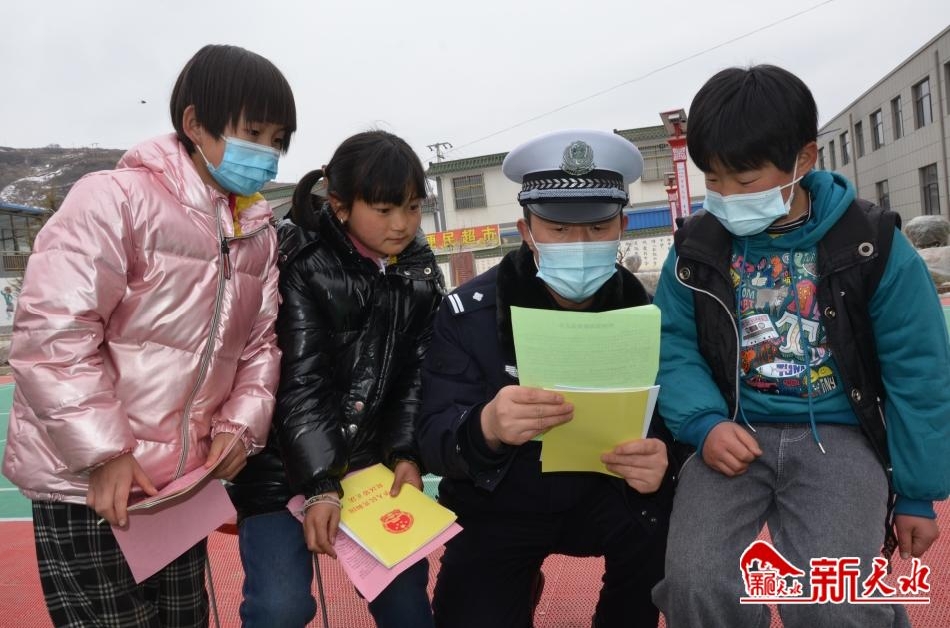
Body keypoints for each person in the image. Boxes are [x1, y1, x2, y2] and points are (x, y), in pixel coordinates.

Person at [1, 44, 296, 627]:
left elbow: (261, 347)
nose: (266, 152)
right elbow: (52, 335)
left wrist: (239, 429)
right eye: (253, 132)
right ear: (194, 123)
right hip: (87, 486)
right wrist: (104, 453)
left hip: (178, 491)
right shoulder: (114, 199)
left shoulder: (256, 232)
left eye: (278, 139)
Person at [651, 64, 950, 628]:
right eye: (713, 179)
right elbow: (672, 344)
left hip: (839, 435)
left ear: (803, 159)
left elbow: (920, 370)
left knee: (830, 597)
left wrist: (916, 493)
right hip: (730, 431)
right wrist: (703, 423)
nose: (725, 196)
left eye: (744, 181)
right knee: (695, 582)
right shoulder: (696, 249)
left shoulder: (872, 244)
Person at [417, 129, 674, 628]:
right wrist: (486, 426)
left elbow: (672, 413)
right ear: (527, 230)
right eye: (557, 228)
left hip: (611, 494)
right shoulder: (469, 313)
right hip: (500, 500)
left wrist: (663, 455)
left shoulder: (646, 311)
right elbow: (432, 436)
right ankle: (516, 584)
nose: (580, 245)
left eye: (598, 228)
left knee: (663, 539)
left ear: (622, 225)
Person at [228, 130, 444, 628]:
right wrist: (322, 484)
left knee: (407, 605)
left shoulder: (418, 272)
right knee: (280, 608)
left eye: (413, 208)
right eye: (385, 210)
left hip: (369, 465)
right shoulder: (300, 262)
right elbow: (299, 383)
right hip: (280, 466)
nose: (402, 224)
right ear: (341, 206)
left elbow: (415, 376)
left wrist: (405, 454)